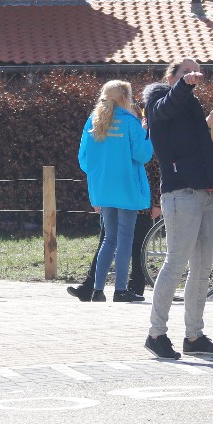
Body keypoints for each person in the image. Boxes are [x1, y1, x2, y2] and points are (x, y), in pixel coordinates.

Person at [142, 58, 213, 360]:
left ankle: (194, 336)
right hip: (181, 193)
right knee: (175, 263)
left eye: (195, 71)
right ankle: (156, 333)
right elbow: (164, 109)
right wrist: (182, 85)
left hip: (207, 192)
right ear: (171, 77)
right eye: (184, 72)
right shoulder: (157, 99)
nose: (193, 75)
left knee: (203, 267)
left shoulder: (190, 105)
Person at [68, 95, 156, 302]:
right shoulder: (130, 122)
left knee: (109, 239)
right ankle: (120, 290)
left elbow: (84, 158)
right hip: (127, 188)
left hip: (104, 189)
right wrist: (146, 133)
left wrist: (98, 177)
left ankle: (98, 291)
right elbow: (143, 155)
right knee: (125, 239)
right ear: (123, 97)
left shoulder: (95, 120)